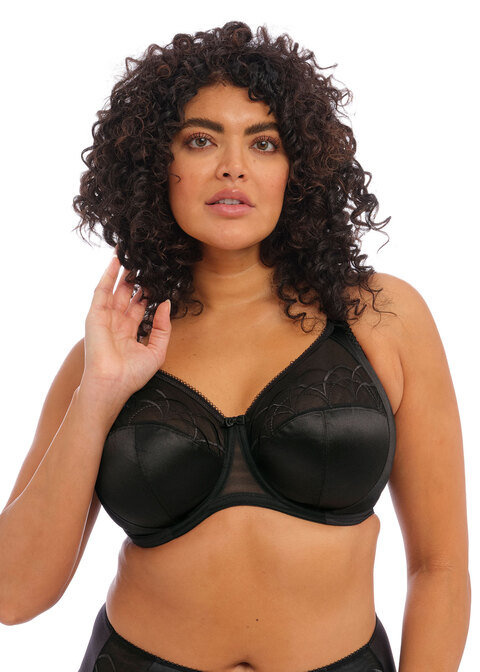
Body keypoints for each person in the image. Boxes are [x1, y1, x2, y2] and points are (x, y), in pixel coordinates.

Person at [0, 20, 470, 672]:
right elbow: (14, 595)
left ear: (297, 169)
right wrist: (99, 393)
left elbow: (440, 567)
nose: (233, 166)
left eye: (264, 142)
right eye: (201, 140)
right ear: (156, 166)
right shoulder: (108, 353)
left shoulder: (380, 318)